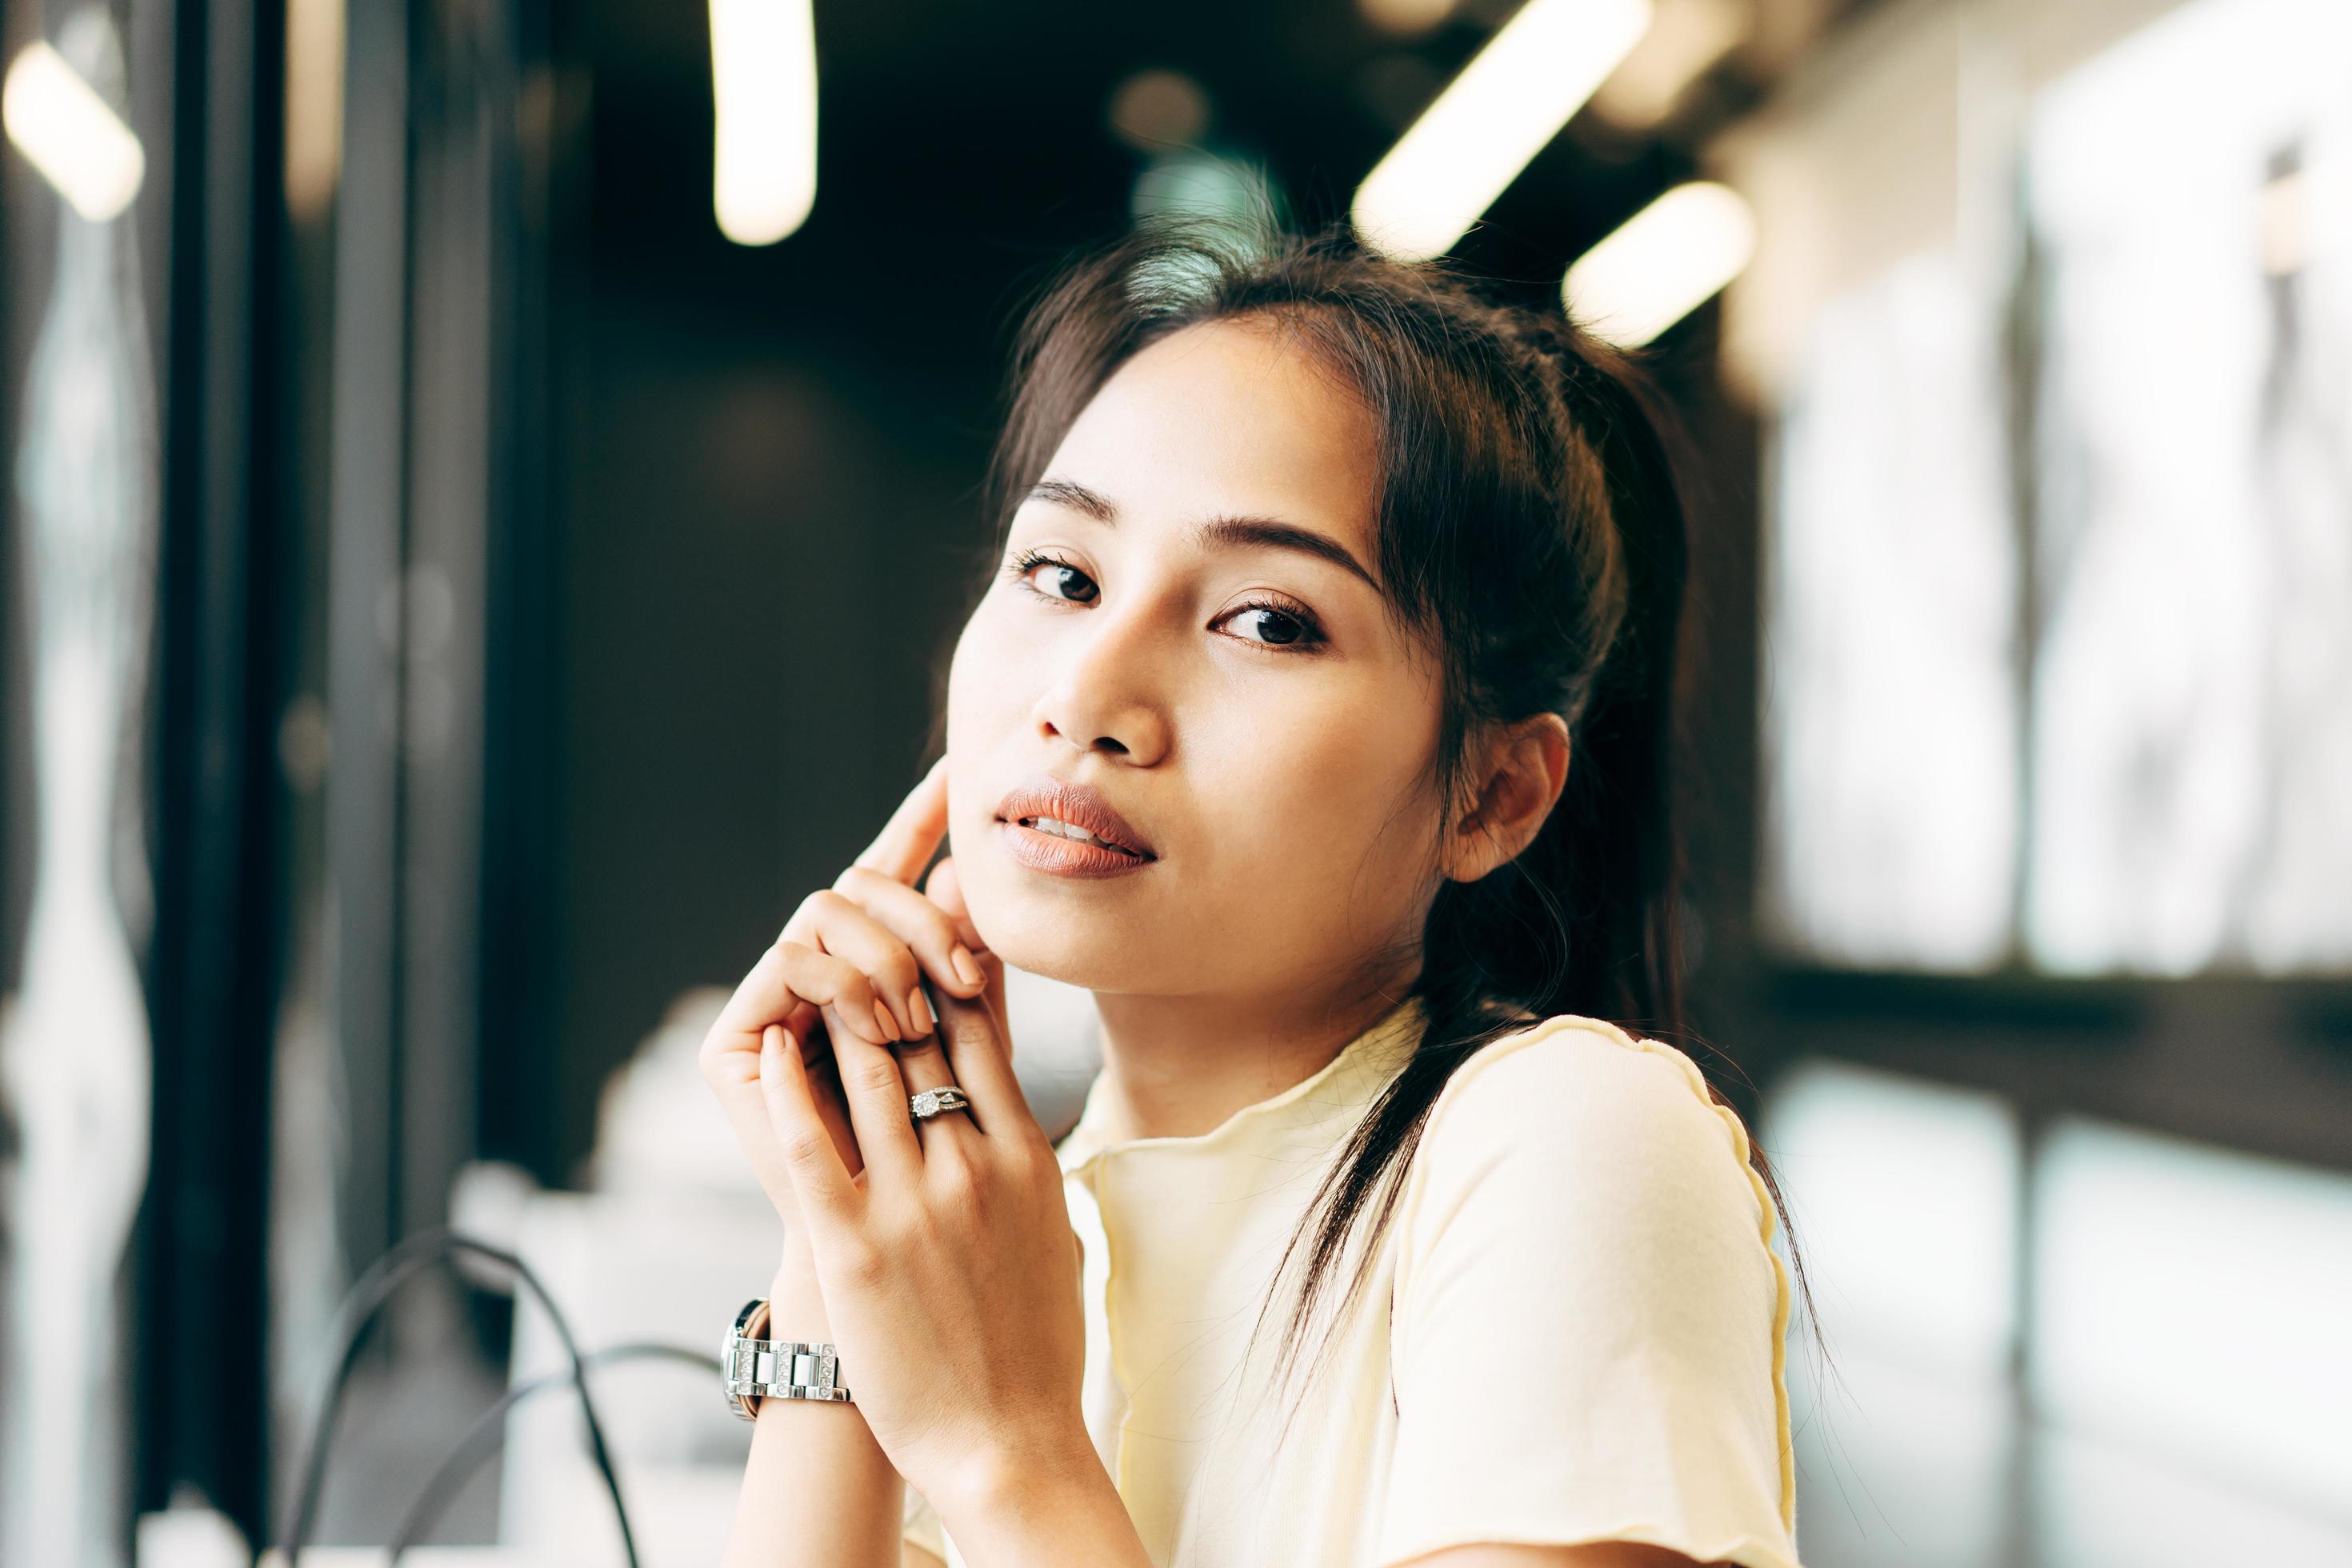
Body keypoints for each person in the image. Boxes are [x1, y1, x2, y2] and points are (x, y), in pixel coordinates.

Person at [699, 218, 1811, 1568]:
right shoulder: (1001, 1241)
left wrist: (1010, 1454)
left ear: (1493, 794)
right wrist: (839, 1243)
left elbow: (1005, 1446)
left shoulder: (1563, 1144)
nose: (1086, 697)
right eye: (1063, 576)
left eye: (1267, 621)